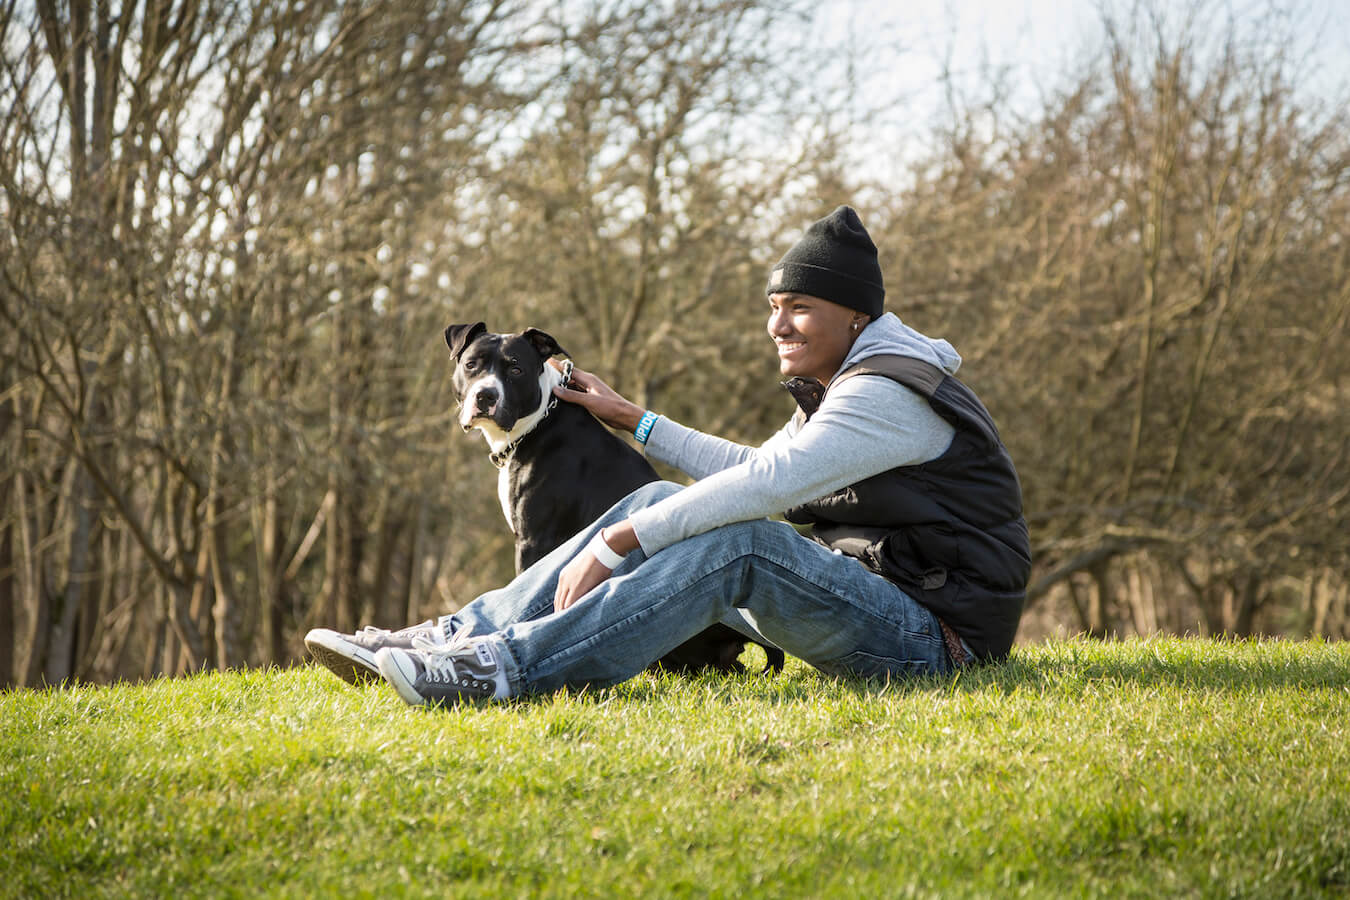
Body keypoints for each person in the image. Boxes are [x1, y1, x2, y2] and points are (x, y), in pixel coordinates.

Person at [304, 205, 1031, 705]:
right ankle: (453, 638)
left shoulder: (885, 393)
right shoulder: (845, 382)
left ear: (857, 317)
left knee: (741, 544)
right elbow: (754, 467)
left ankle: (505, 669)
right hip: (877, 601)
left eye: (800, 307)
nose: (778, 324)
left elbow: (771, 487)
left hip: (937, 639)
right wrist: (634, 421)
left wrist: (621, 538)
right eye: (774, 305)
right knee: (660, 501)